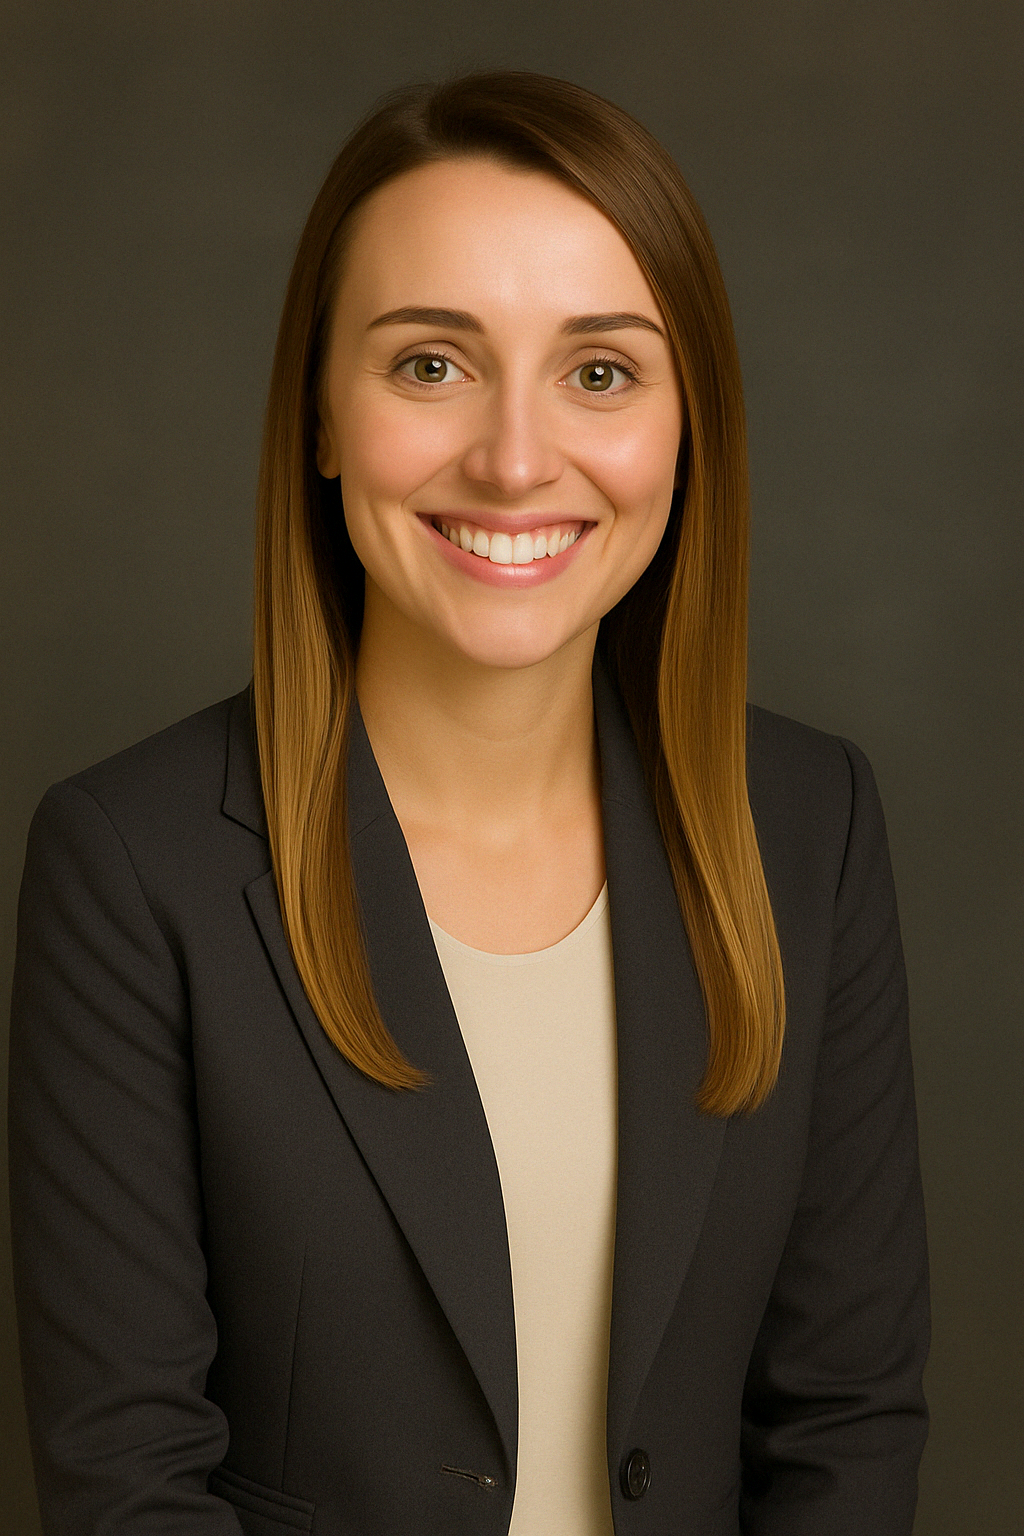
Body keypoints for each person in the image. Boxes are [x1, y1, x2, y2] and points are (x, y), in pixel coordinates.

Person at [8, 70, 929, 1536]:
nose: (513, 457)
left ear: (689, 432)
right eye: (430, 364)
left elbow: (846, 1422)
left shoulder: (810, 827)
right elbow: (127, 1481)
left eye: (602, 372)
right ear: (320, 413)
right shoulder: (130, 868)